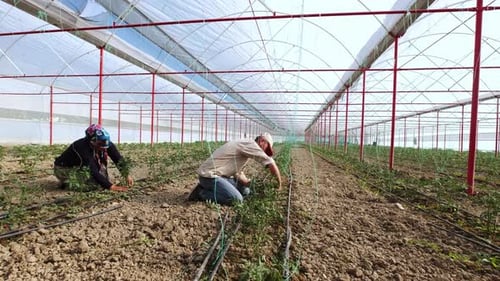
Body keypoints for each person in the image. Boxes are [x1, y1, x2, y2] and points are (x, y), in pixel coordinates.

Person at [188, 132, 282, 205]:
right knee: (237, 199)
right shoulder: (250, 144)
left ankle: (210, 189)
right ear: (262, 141)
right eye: (267, 148)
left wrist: (247, 182)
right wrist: (279, 185)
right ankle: (201, 193)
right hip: (209, 176)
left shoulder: (246, 145)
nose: (265, 151)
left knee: (246, 191)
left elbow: (237, 172)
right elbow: (271, 163)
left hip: (221, 176)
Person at [53, 124, 134, 192]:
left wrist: (126, 174)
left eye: (105, 143)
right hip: (63, 168)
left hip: (79, 166)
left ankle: (78, 179)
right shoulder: (81, 147)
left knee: (104, 180)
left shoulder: (105, 142)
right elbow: (93, 170)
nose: (104, 146)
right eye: (100, 143)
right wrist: (111, 187)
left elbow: (118, 158)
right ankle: (67, 183)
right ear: (91, 141)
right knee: (96, 186)